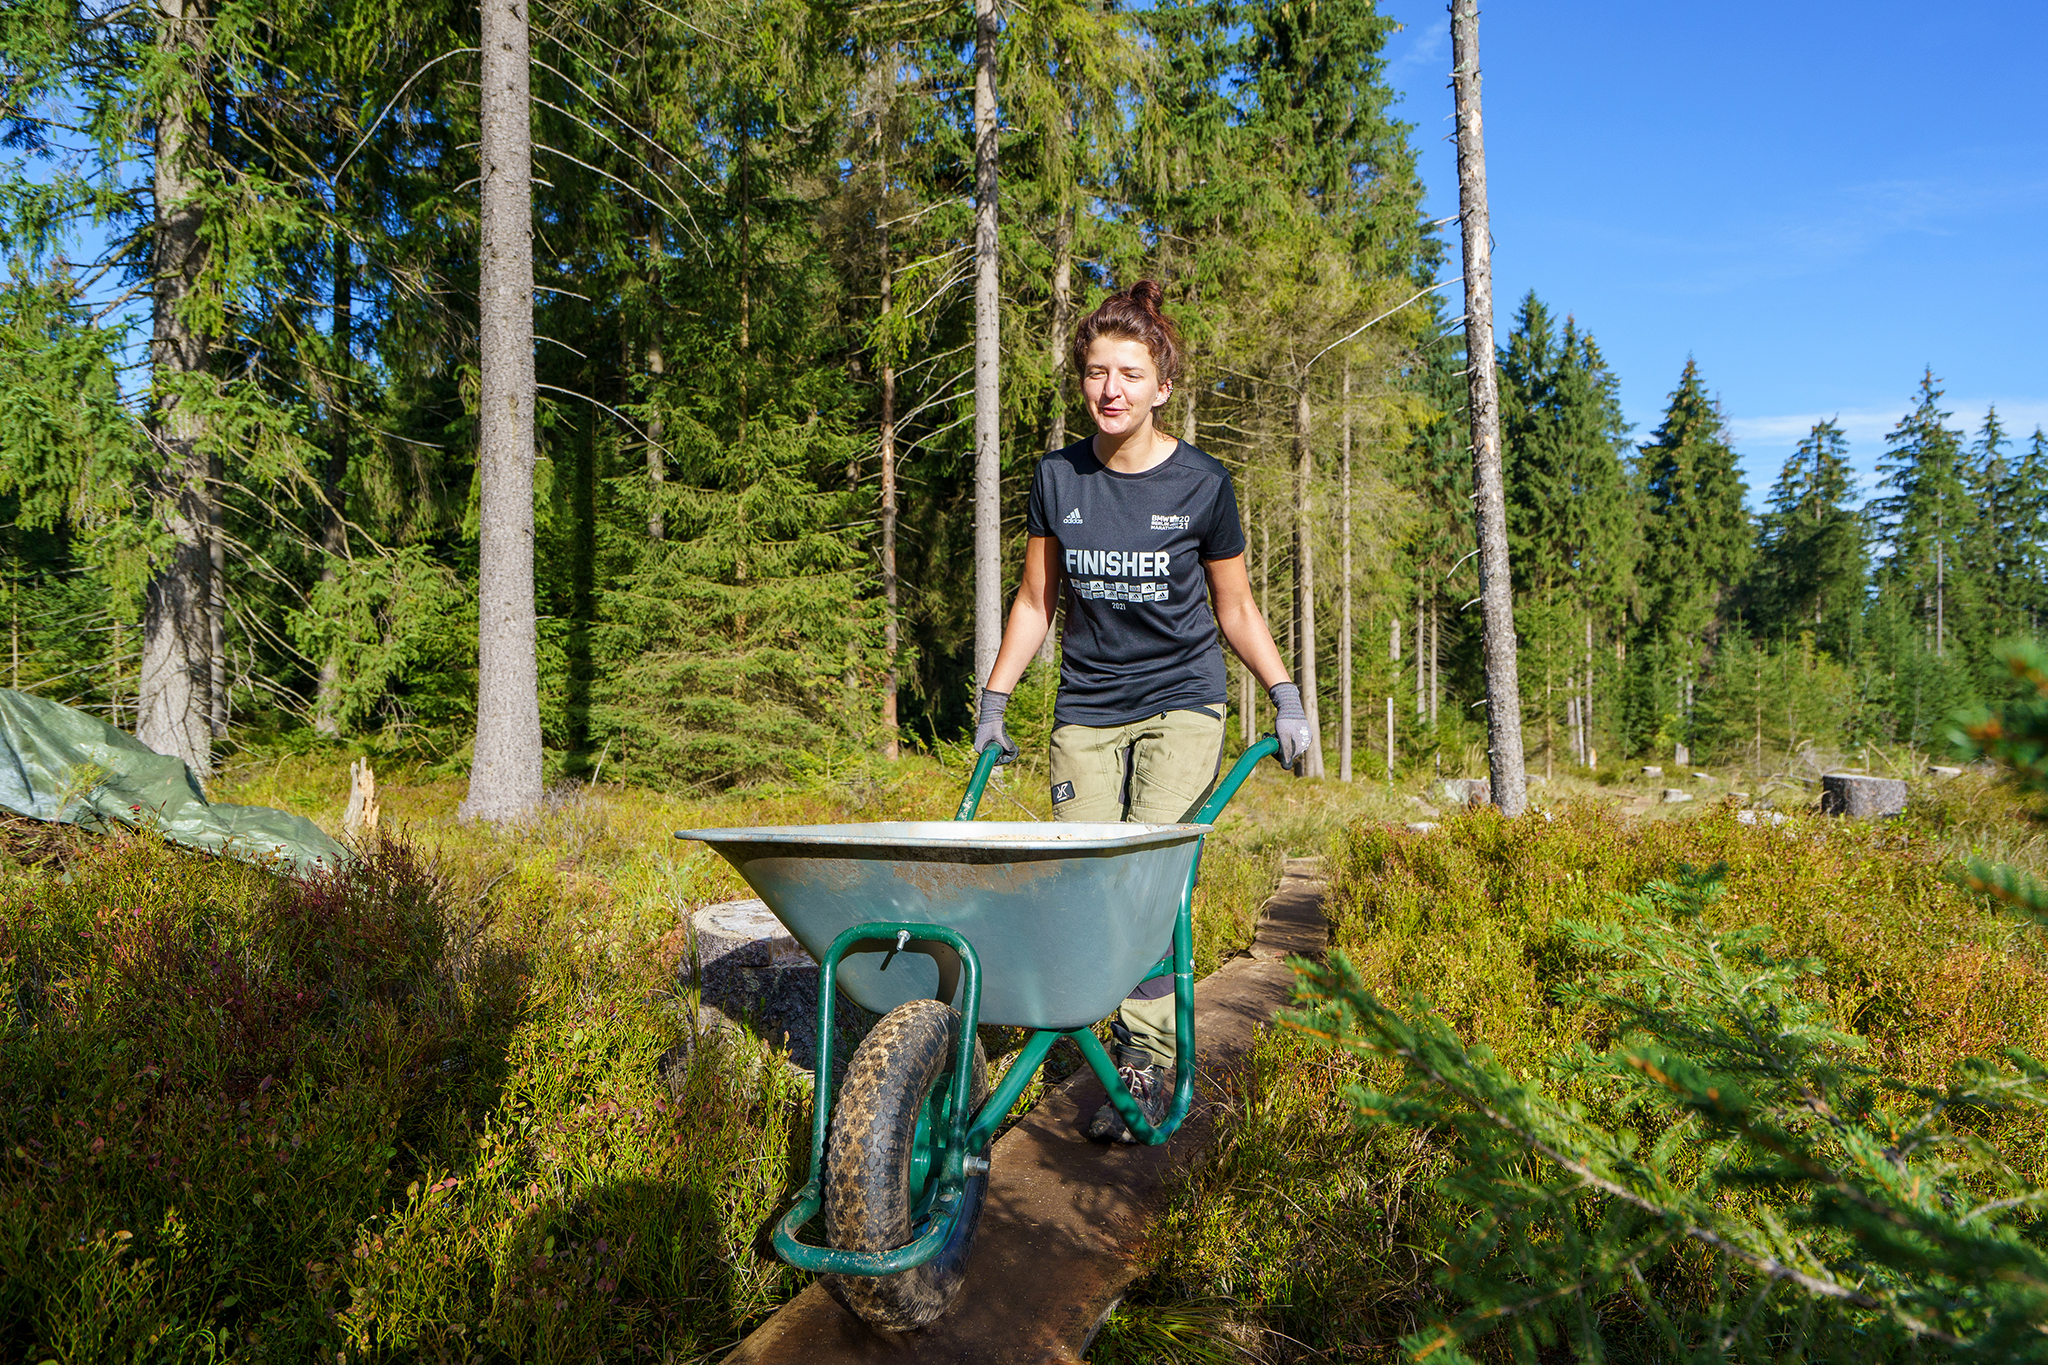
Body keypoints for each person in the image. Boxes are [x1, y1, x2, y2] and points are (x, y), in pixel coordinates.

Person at [971, 280, 1312, 1143]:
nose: (1110, 389)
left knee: (1146, 878)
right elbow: (1035, 601)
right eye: (1095, 373)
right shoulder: (1058, 477)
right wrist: (995, 698)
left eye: (1128, 372)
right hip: (1088, 703)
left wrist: (1285, 694)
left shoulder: (1204, 484)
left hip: (1182, 702)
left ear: (1162, 385)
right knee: (1080, 874)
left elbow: (1233, 607)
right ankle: (1090, 1022)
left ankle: (1149, 1054)